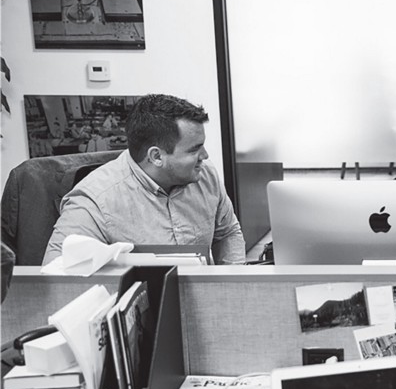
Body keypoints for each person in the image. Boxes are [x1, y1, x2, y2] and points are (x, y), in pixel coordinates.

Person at [43, 94, 246, 265]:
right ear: (156, 157)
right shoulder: (95, 199)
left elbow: (228, 233)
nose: (206, 156)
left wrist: (234, 286)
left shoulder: (205, 175)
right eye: (194, 149)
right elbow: (58, 272)